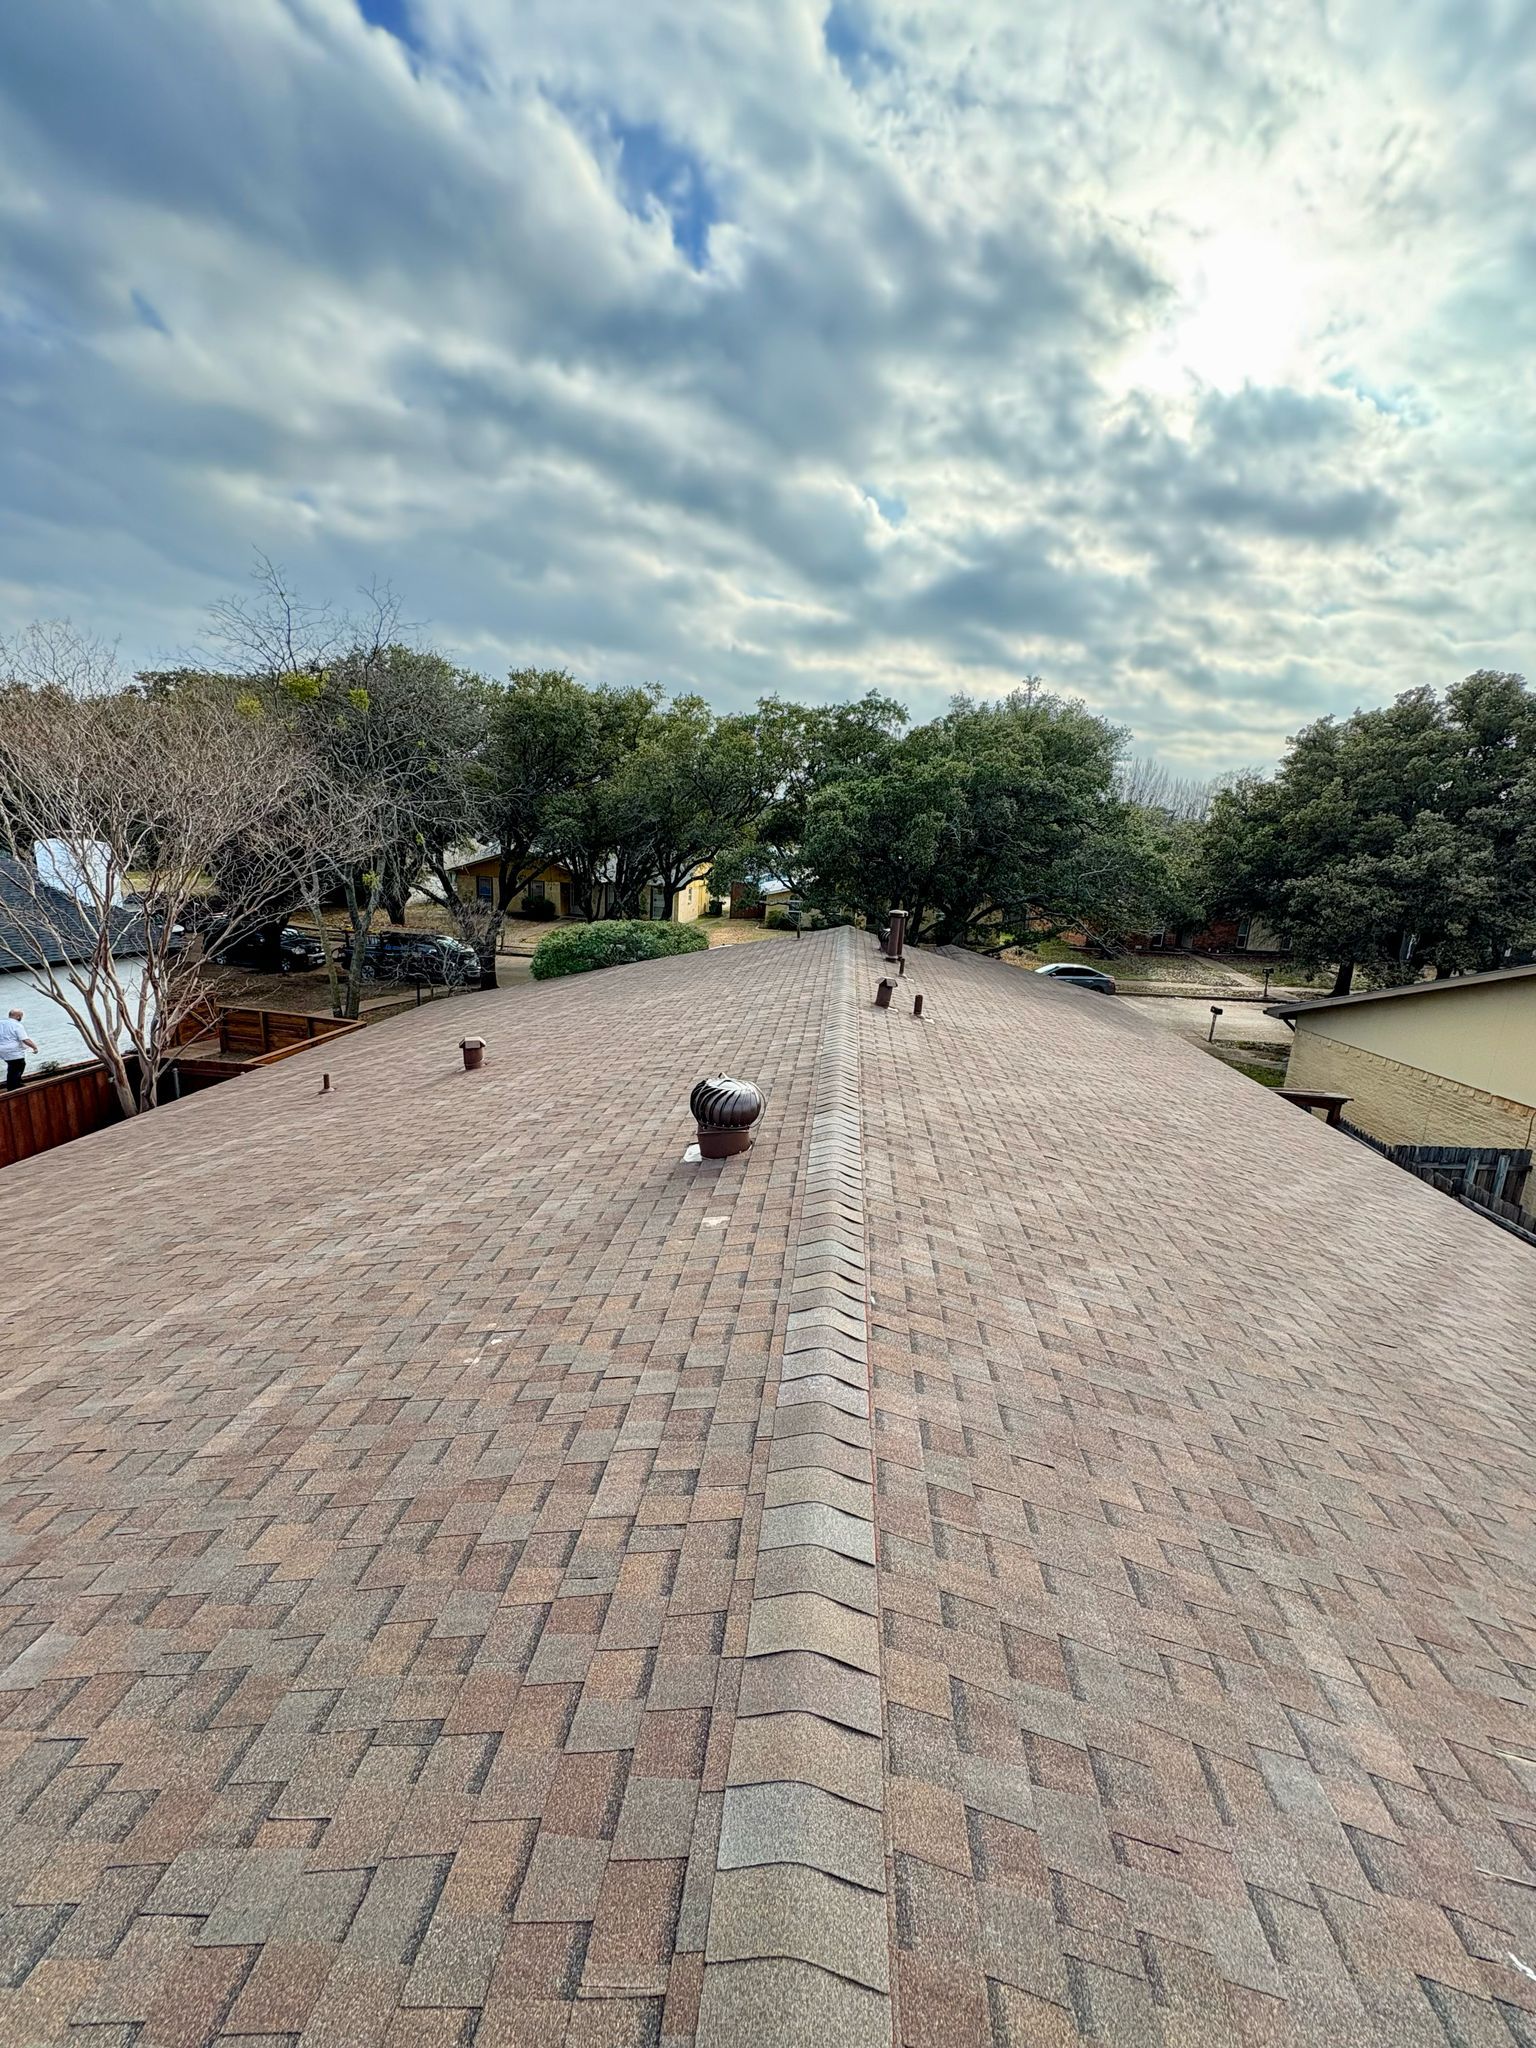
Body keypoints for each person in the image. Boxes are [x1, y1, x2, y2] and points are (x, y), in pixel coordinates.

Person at [0, 1008, 39, 1091]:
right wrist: (34, 1047)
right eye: (21, 1016)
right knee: (19, 1065)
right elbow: (24, 1039)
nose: (21, 1018)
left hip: (2, 1050)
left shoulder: (1, 1023)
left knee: (12, 1066)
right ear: (18, 1016)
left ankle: (15, 1083)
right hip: (13, 1050)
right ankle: (13, 1086)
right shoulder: (17, 1025)